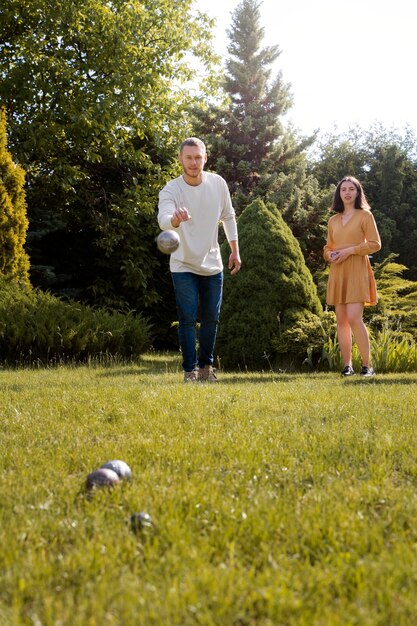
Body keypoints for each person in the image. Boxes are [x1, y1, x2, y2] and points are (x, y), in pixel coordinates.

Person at [158, 137, 241, 383]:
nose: (194, 162)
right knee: (187, 318)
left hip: (213, 263)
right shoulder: (171, 189)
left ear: (205, 158)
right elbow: (163, 220)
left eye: (198, 157)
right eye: (189, 157)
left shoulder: (218, 184)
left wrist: (235, 250)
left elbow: (228, 216)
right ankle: (190, 371)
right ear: (180, 159)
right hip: (183, 263)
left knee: (211, 319)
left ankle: (206, 368)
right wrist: (175, 219)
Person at [323, 175, 381, 377]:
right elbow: (327, 247)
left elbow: (375, 244)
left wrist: (350, 251)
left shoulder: (365, 216)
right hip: (338, 270)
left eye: (351, 189)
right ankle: (347, 365)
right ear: (339, 194)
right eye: (343, 189)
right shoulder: (333, 220)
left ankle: (367, 365)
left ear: (358, 193)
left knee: (355, 318)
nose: (347, 192)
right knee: (341, 320)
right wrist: (329, 254)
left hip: (357, 268)